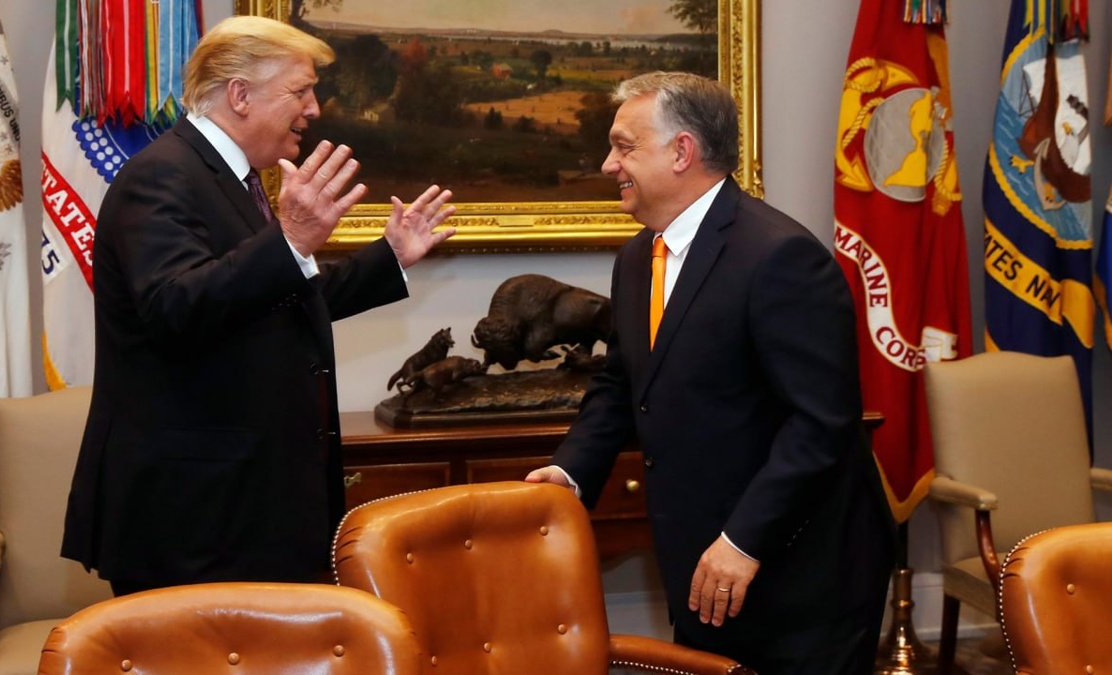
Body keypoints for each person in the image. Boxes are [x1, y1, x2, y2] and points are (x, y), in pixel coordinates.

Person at [61, 16, 456, 596]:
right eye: (301, 91)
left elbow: (280, 300)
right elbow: (176, 309)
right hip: (191, 521)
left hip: (245, 508)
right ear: (240, 95)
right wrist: (290, 239)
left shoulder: (233, 178)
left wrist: (390, 257)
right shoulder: (163, 175)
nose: (314, 108)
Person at [526, 72, 895, 674]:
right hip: (700, 562)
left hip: (799, 574)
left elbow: (820, 424)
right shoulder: (637, 258)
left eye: (624, 147)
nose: (607, 165)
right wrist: (570, 472)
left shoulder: (779, 256)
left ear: (682, 152)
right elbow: (622, 383)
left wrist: (743, 540)